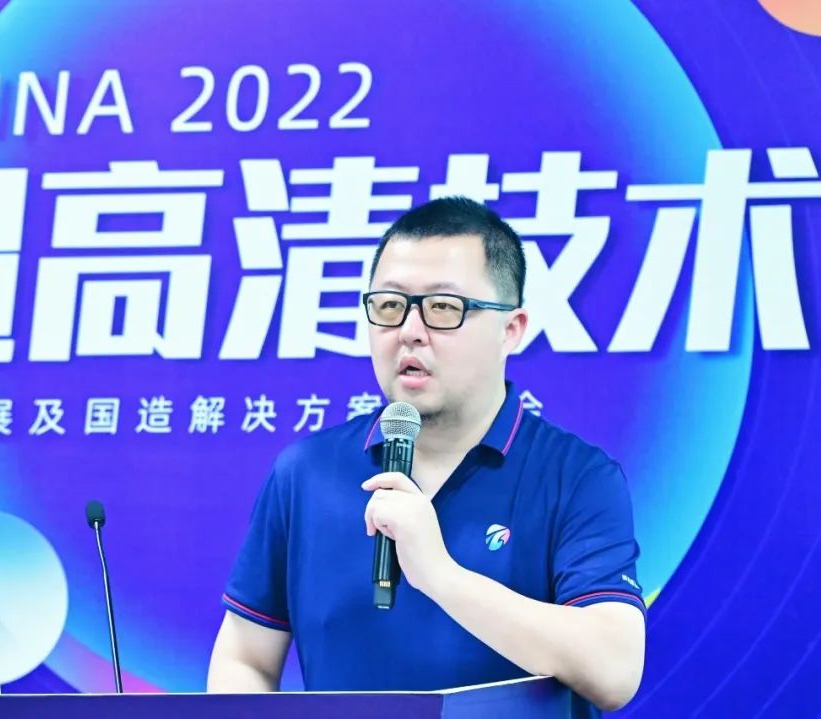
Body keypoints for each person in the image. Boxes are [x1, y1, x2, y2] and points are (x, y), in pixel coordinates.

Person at [207, 196, 645, 715]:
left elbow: (614, 671)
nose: (410, 331)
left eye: (443, 308)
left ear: (511, 329)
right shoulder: (307, 472)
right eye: (390, 305)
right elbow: (245, 657)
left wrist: (440, 575)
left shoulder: (575, 478)